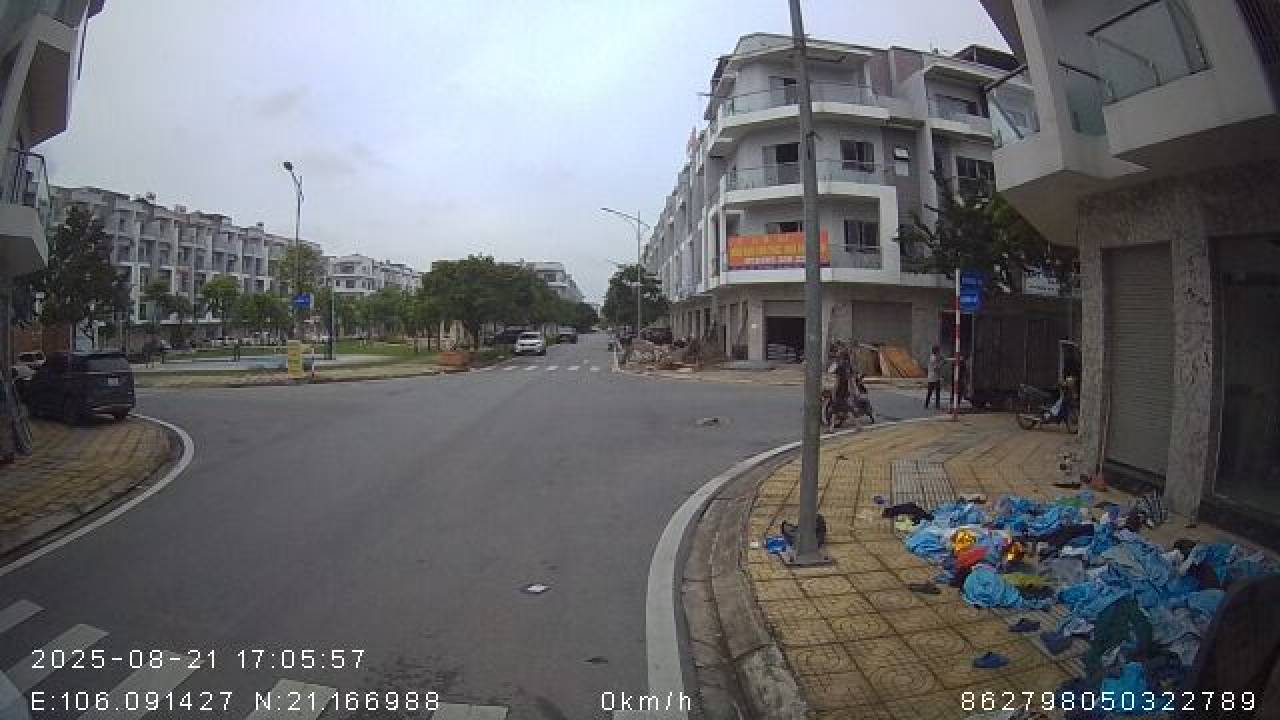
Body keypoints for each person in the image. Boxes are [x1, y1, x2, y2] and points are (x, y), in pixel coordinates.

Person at [925, 345, 943, 409]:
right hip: (933, 378)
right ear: (936, 351)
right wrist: (942, 363)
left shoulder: (933, 357)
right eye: (938, 351)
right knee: (934, 391)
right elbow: (936, 368)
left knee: (932, 391)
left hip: (933, 377)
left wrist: (940, 359)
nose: (939, 352)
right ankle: (936, 405)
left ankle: (927, 404)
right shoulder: (933, 358)